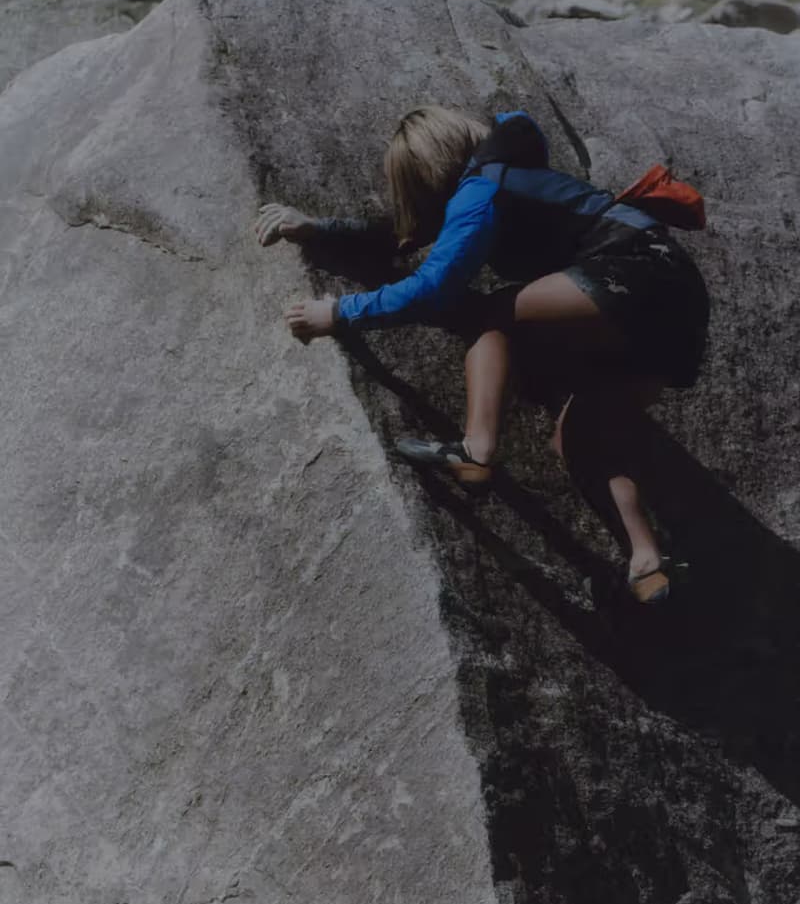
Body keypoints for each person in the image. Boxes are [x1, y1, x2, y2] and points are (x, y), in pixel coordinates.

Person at [255, 107, 709, 603]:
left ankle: (476, 450)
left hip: (636, 275)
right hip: (676, 308)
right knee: (580, 439)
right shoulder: (500, 182)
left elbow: (433, 287)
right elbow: (405, 235)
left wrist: (340, 312)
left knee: (491, 315)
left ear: (426, 171)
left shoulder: (482, 189)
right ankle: (648, 564)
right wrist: (321, 228)